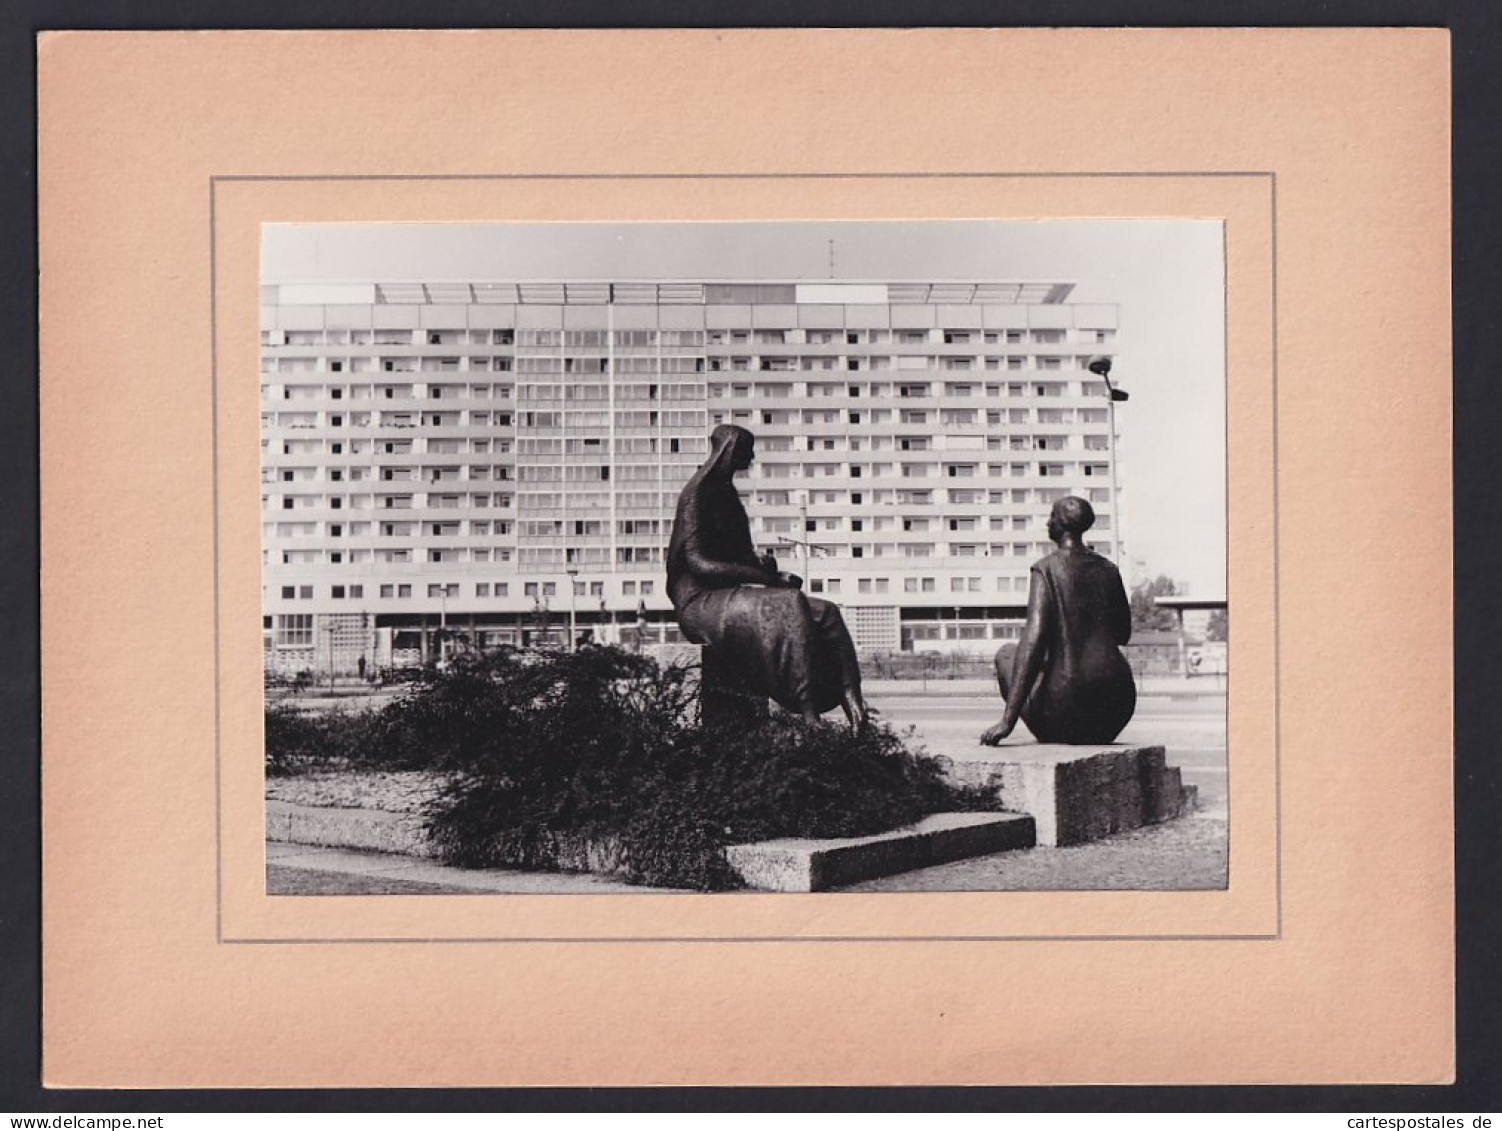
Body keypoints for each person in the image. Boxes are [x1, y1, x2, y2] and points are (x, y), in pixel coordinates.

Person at [666, 424, 868, 729]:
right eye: (747, 449)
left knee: (827, 611)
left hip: (725, 595)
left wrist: (767, 569)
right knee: (790, 604)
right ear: (731, 449)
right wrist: (761, 577)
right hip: (699, 603)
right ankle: (809, 713)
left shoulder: (727, 495)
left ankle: (854, 704)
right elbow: (698, 564)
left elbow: (737, 554)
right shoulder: (698, 493)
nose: (752, 456)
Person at [981, 495, 1136, 745]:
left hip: (1066, 713)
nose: (1048, 523)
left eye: (1051, 516)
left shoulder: (1046, 569)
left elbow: (1034, 640)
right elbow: (1123, 633)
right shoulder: (1109, 570)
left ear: (1061, 524)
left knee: (1006, 654)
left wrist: (1006, 722)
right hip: (1115, 709)